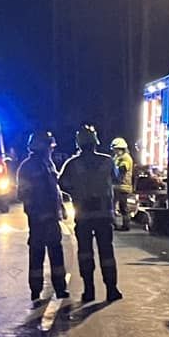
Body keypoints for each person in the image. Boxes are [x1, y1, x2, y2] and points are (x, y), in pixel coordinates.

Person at [59, 124, 121, 303]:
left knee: (85, 253)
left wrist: (76, 192)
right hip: (104, 215)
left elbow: (62, 183)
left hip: (84, 215)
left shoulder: (72, 164)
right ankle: (111, 290)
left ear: (79, 143)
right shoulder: (107, 161)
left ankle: (89, 290)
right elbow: (116, 178)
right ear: (95, 142)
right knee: (107, 253)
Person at [16, 131, 70, 305]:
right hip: (38, 220)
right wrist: (36, 211)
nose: (51, 150)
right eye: (49, 147)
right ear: (42, 147)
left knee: (55, 253)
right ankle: (36, 291)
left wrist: (61, 207)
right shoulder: (27, 167)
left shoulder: (48, 164)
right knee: (37, 254)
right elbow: (22, 194)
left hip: (51, 218)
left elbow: (55, 188)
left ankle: (60, 288)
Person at [111, 136, 135, 229]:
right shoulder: (118, 157)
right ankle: (116, 224)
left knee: (122, 207)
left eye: (115, 149)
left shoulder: (125, 158)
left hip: (122, 186)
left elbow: (122, 169)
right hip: (117, 186)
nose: (114, 151)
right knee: (115, 206)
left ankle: (125, 225)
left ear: (120, 148)